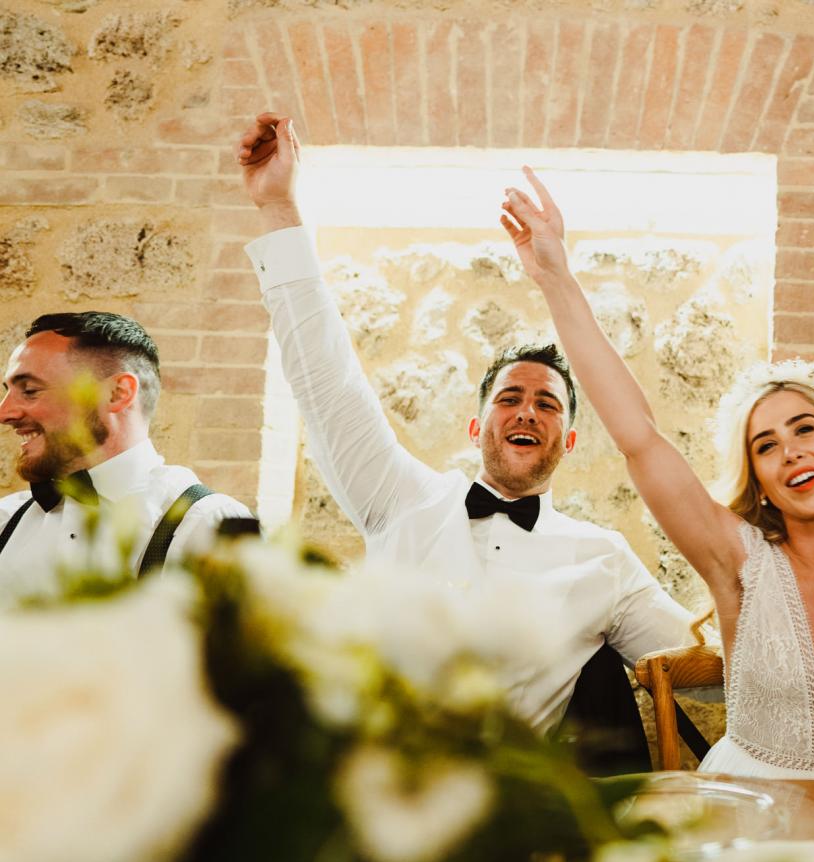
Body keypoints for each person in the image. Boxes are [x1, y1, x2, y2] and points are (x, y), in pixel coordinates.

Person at [235, 112, 694, 735]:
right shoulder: (397, 499)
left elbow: (709, 674)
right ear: (477, 429)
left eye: (548, 404)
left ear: (570, 441)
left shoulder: (603, 562)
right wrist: (278, 208)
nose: (527, 409)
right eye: (509, 398)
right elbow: (325, 382)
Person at [499, 170, 814, 779]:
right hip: (747, 823)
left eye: (805, 429)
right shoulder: (739, 559)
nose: (791, 452)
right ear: (758, 477)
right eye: (766, 445)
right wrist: (556, 279)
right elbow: (639, 437)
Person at [0, 312, 253, 600]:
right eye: (7, 392)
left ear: (118, 393)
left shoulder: (209, 526)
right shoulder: (5, 520)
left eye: (30, 390)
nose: (5, 413)